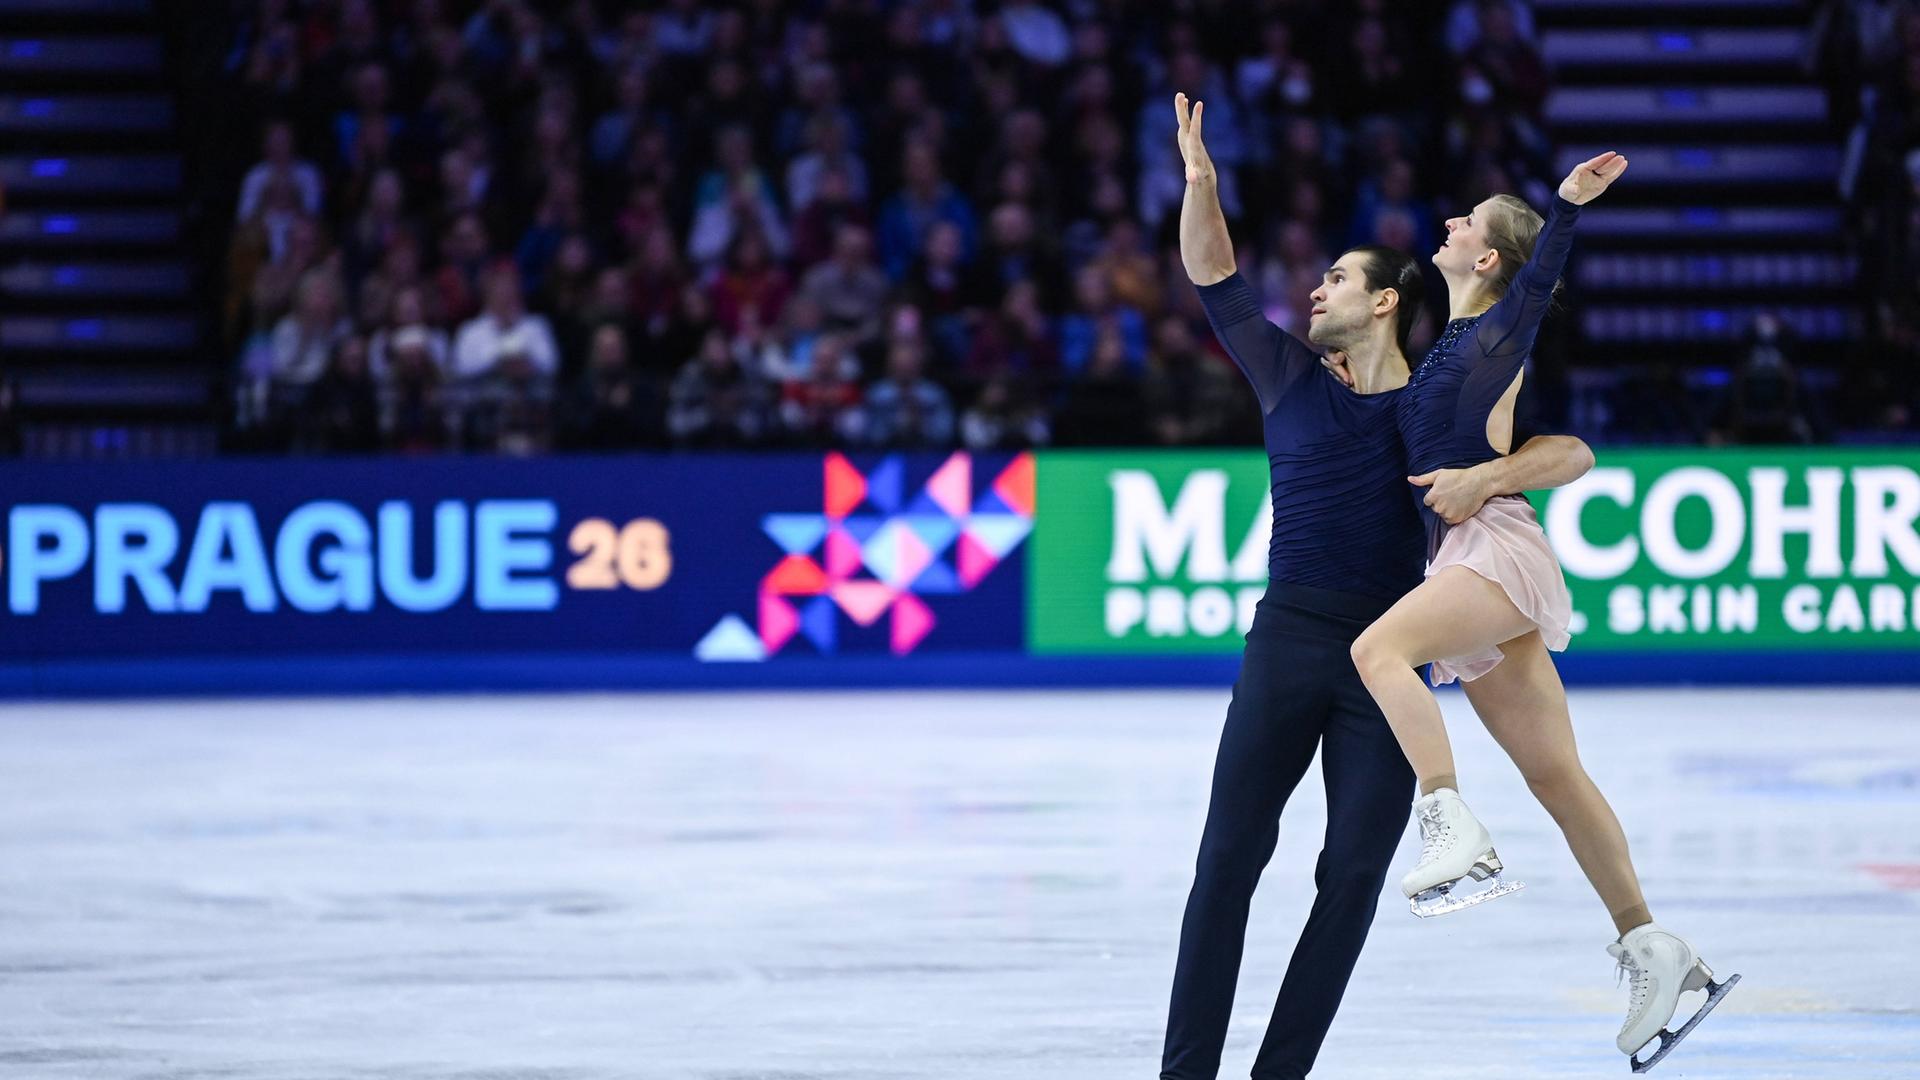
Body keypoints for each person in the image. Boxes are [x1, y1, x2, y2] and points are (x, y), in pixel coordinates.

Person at [1161, 93, 1598, 1080]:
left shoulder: (1434, 402)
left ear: (1386, 298)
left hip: (1392, 656)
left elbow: (1562, 442)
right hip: (1287, 642)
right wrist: (1199, 184)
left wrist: (1491, 473)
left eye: (1335, 281)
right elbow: (1214, 276)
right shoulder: (1287, 377)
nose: (1313, 293)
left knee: (1351, 877)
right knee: (1228, 860)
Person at [1343, 152, 1740, 1068]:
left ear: (1488, 259)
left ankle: (1447, 818)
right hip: (1466, 556)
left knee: (1379, 653)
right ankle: (1655, 947)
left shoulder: (1494, 336)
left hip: (1496, 546)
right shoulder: (1447, 342)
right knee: (1558, 779)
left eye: (1467, 222)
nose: (1449, 226)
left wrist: (1561, 210)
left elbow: (1542, 281)